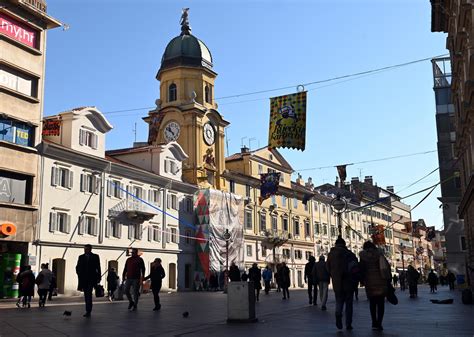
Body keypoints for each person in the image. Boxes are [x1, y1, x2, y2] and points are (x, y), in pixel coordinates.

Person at [327, 237, 357, 331]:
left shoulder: (331, 254)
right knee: (349, 303)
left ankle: (338, 315)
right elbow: (355, 266)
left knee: (339, 301)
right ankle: (348, 323)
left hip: (337, 282)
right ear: (344, 244)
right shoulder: (349, 254)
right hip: (349, 281)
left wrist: (333, 275)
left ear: (336, 244)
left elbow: (327, 268)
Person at [359, 241, 390, 331]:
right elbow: (386, 266)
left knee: (372, 303)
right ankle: (379, 323)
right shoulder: (379, 254)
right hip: (381, 280)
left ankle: (374, 322)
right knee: (381, 304)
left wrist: (362, 280)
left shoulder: (363, 256)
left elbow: (361, 269)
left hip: (369, 282)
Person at [76, 244, 101, 317]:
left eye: (87, 249)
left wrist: (99, 277)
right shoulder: (81, 257)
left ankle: (88, 310)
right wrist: (79, 274)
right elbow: (78, 267)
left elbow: (98, 267)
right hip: (83, 279)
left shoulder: (95, 256)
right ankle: (88, 309)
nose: (85, 250)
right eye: (84, 249)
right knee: (86, 294)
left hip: (91, 278)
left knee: (88, 294)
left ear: (90, 249)